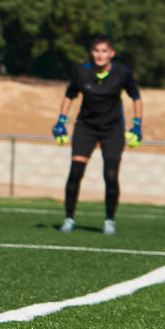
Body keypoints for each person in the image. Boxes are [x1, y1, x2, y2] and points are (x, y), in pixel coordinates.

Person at [52, 35, 143, 235]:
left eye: (104, 51)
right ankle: (69, 219)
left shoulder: (122, 73)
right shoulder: (82, 72)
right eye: (96, 51)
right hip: (86, 127)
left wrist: (137, 124)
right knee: (76, 172)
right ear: (91, 53)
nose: (99, 55)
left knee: (110, 176)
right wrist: (61, 121)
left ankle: (109, 220)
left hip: (112, 129)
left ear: (111, 53)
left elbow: (136, 96)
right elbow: (70, 95)